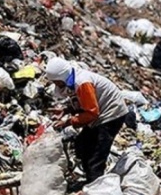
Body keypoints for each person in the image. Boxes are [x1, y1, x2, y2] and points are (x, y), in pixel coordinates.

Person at [45, 57, 129, 185]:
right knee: (82, 145)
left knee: (95, 156)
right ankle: (90, 182)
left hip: (111, 114)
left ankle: (95, 190)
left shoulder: (82, 82)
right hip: (100, 115)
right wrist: (66, 110)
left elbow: (91, 113)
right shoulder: (73, 80)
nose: (57, 85)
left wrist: (68, 122)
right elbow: (83, 102)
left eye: (57, 82)